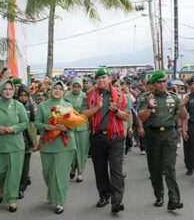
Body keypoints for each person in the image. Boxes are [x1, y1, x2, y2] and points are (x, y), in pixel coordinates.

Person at [81, 67, 130, 214]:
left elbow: (126, 116)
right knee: (100, 169)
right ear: (95, 80)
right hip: (97, 136)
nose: (101, 80)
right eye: (98, 78)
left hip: (116, 137)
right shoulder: (89, 95)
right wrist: (98, 107)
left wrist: (116, 111)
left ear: (108, 78)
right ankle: (104, 195)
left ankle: (117, 201)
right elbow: (83, 114)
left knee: (116, 170)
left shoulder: (120, 95)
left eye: (104, 77)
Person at [138, 70, 187, 211]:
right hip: (152, 135)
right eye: (159, 82)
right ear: (153, 84)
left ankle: (174, 199)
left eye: (164, 81)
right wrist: (149, 106)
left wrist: (182, 105)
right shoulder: (145, 97)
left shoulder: (174, 97)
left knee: (170, 167)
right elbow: (140, 118)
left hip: (169, 134)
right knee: (155, 168)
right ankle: (159, 194)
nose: (162, 84)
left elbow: (183, 116)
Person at [0, 80, 29, 212]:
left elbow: (25, 123)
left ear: (14, 91)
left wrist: (13, 128)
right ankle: (1, 189)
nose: (8, 91)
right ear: (1, 91)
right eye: (5, 89)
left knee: (14, 173)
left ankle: (12, 199)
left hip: (16, 145)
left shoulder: (18, 105)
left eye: (10, 89)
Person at [35, 81, 76, 214]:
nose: (57, 90)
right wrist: (46, 126)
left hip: (65, 145)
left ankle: (59, 201)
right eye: (55, 88)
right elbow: (37, 123)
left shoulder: (68, 106)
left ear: (64, 91)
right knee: (47, 173)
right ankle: (53, 193)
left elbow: (74, 124)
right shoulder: (42, 105)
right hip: (48, 144)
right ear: (51, 90)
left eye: (60, 89)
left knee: (61, 174)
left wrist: (65, 127)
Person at [64, 78, 90, 182]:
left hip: (83, 127)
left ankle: (80, 172)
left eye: (78, 86)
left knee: (82, 150)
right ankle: (73, 167)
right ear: (71, 86)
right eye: (74, 86)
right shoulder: (66, 97)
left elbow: (88, 111)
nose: (76, 89)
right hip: (70, 127)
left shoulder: (85, 96)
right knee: (73, 150)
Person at [17, 85, 38, 199]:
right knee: (16, 166)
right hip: (16, 141)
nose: (23, 98)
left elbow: (35, 121)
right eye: (21, 95)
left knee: (25, 167)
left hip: (27, 141)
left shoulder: (31, 107)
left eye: (25, 95)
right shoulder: (14, 106)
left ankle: (21, 188)